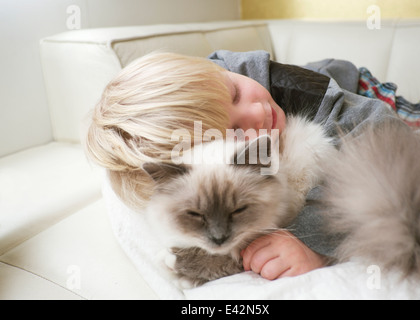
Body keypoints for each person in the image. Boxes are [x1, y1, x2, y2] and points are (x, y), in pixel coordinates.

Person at [85, 50, 400, 281]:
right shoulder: (202, 155)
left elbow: (388, 134)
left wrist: (310, 238)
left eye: (234, 93)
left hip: (359, 91)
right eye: (235, 134)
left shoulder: (257, 78)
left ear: (218, 71)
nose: (256, 112)